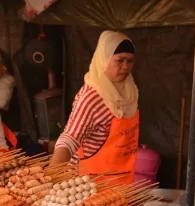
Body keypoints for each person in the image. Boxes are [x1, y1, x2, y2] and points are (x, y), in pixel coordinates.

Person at [50, 31, 139, 183]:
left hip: (121, 183)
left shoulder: (130, 91)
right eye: (120, 60)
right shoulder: (92, 97)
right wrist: (52, 175)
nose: (125, 66)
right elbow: (69, 138)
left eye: (130, 61)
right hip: (90, 186)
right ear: (104, 59)